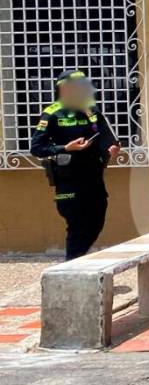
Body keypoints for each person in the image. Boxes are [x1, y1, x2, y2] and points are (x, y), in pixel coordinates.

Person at [29, 70, 119, 260]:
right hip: (68, 180)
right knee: (77, 226)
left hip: (94, 179)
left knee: (96, 223)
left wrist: (111, 149)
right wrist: (66, 148)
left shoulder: (92, 111)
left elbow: (108, 139)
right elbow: (37, 148)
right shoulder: (52, 113)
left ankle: (75, 265)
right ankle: (71, 269)